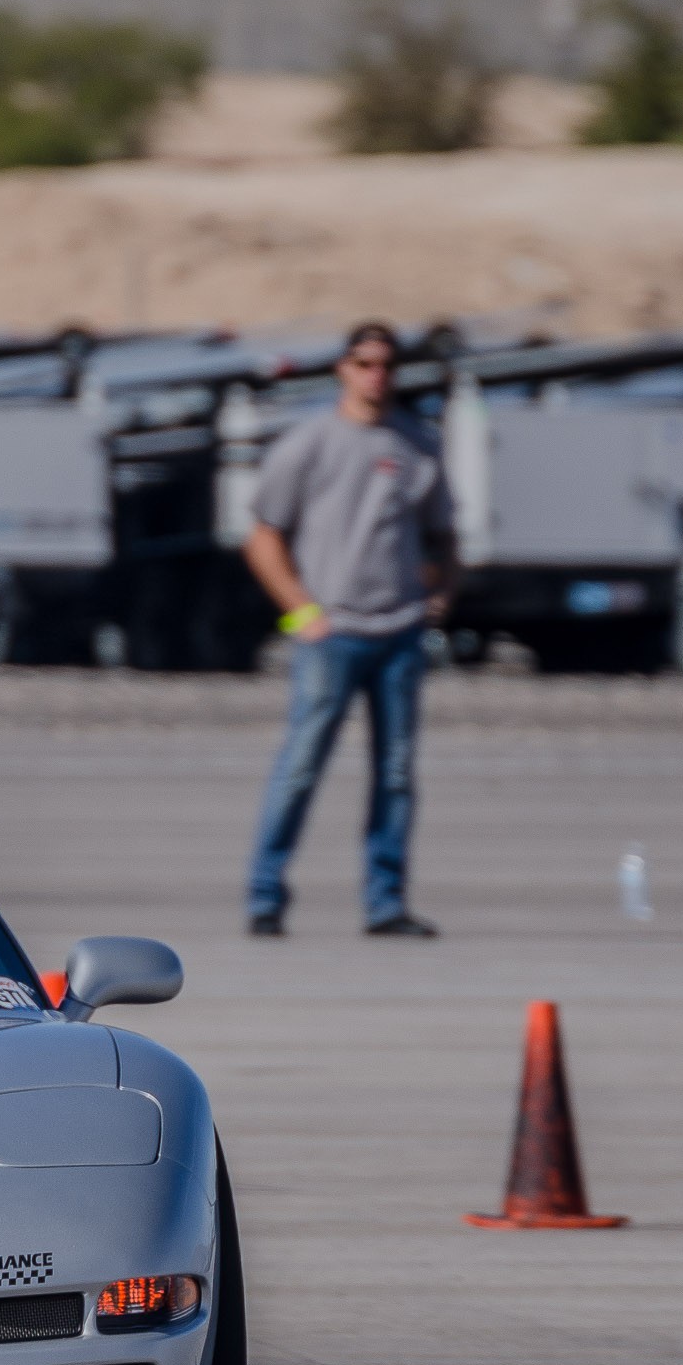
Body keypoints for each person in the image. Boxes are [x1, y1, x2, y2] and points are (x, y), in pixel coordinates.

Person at [241, 321, 457, 939]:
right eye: (364, 363)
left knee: (396, 774)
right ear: (343, 368)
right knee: (301, 766)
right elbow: (263, 537)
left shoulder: (418, 444)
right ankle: (265, 894)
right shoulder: (308, 443)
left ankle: (385, 903)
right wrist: (300, 611)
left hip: (400, 633)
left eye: (386, 365)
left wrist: (439, 596)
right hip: (331, 634)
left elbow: (444, 536)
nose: (375, 375)